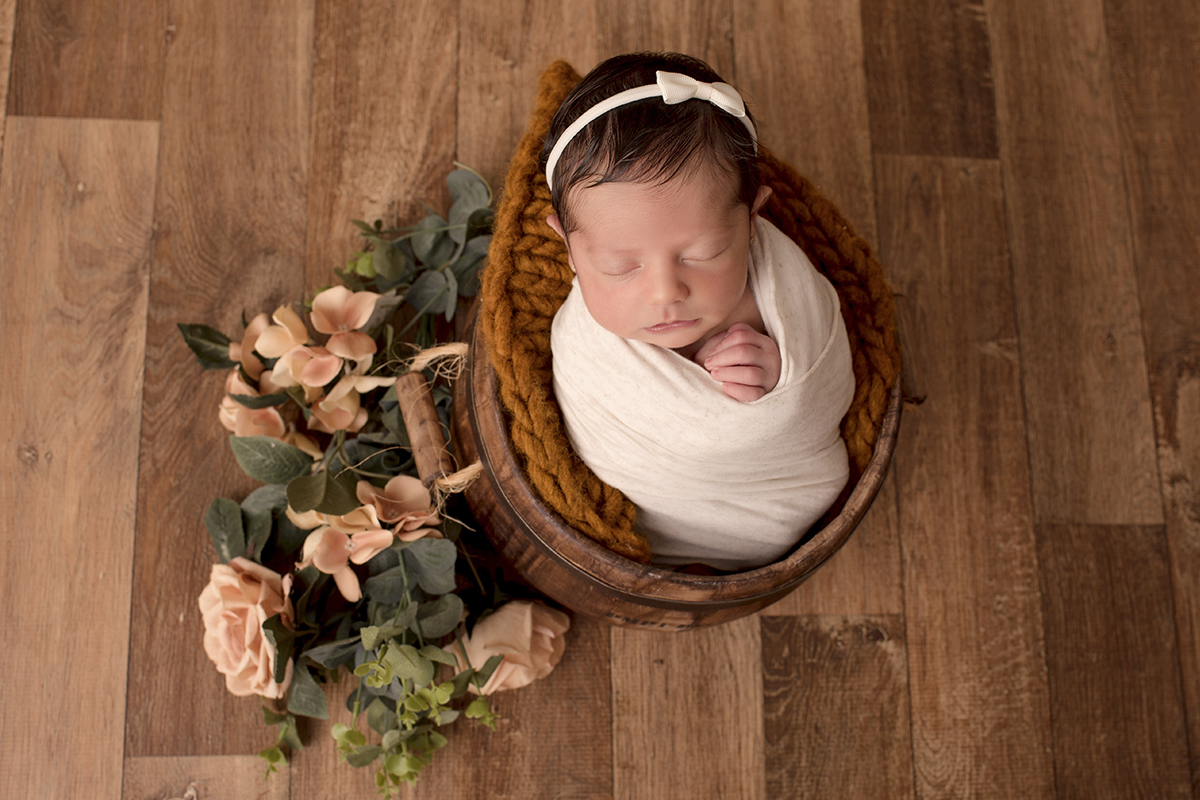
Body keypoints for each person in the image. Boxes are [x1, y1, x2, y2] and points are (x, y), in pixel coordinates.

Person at [543, 52, 856, 571]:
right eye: (620, 266)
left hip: (769, 504)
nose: (666, 292)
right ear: (570, 248)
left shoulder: (780, 293)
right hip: (632, 522)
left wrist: (781, 374)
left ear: (753, 216)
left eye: (703, 254)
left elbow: (822, 385)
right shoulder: (583, 345)